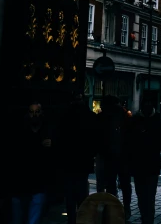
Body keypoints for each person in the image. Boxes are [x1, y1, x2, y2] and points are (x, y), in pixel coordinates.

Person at [125, 95, 161, 224]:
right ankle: (146, 217)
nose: (147, 106)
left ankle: (148, 219)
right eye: (146, 103)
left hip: (150, 163)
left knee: (149, 196)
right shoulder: (140, 121)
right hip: (141, 163)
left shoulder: (153, 121)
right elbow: (128, 144)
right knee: (142, 195)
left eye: (149, 103)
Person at [56, 93, 99, 224]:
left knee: (70, 193)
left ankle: (72, 218)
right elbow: (95, 139)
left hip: (69, 160)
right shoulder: (89, 116)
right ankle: (81, 217)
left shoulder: (65, 115)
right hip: (83, 160)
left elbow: (59, 138)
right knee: (81, 190)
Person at [9, 102, 53, 224]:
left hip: (37, 180)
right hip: (22, 180)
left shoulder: (46, 131)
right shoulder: (22, 131)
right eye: (32, 112)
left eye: (37, 112)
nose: (34, 115)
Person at [97, 94, 133, 220]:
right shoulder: (125, 116)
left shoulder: (103, 117)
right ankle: (126, 208)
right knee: (125, 184)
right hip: (123, 156)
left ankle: (113, 207)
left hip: (109, 156)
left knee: (111, 184)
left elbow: (99, 137)